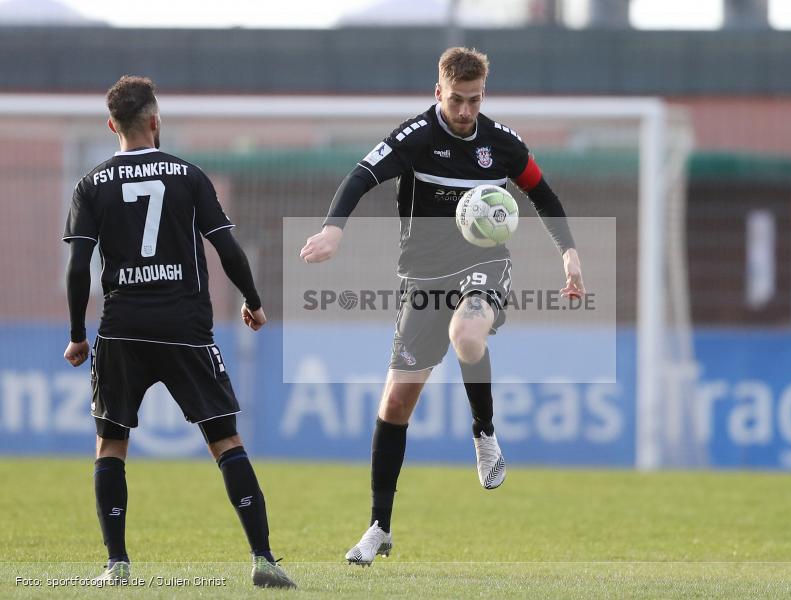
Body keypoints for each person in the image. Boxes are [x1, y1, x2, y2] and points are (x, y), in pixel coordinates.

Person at [300, 47, 585, 566]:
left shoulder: (501, 144)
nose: (465, 111)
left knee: (467, 335)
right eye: (456, 100)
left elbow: (544, 195)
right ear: (439, 92)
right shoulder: (415, 138)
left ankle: (484, 436)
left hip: (484, 267)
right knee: (394, 406)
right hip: (421, 281)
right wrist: (333, 230)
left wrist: (569, 254)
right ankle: (378, 528)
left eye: (474, 101)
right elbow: (361, 176)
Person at [62, 76, 295, 589]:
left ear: (110, 125)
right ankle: (264, 560)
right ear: (154, 120)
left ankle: (117, 565)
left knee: (110, 445)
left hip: (121, 329)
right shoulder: (187, 175)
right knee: (226, 440)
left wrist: (79, 333)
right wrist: (254, 303)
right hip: (184, 327)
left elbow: (78, 268)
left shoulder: (90, 184)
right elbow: (227, 248)